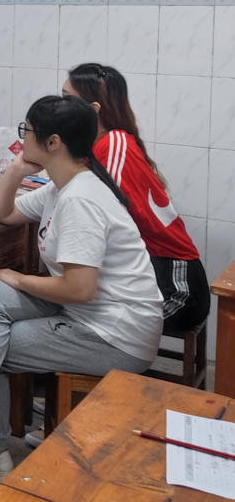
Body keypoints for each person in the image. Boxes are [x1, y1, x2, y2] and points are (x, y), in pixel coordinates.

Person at [0, 95, 162, 483]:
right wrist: (15, 170)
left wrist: (20, 278)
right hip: (87, 315)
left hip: (115, 333)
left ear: (53, 142)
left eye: (26, 131)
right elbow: (0, 212)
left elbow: (79, 289)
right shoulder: (64, 184)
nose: (21, 136)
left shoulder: (81, 199)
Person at [65, 63, 209, 334]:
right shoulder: (100, 144)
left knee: (68, 303)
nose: (60, 108)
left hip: (176, 290)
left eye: (67, 99)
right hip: (149, 276)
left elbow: (108, 211)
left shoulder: (113, 144)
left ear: (93, 108)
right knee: (64, 297)